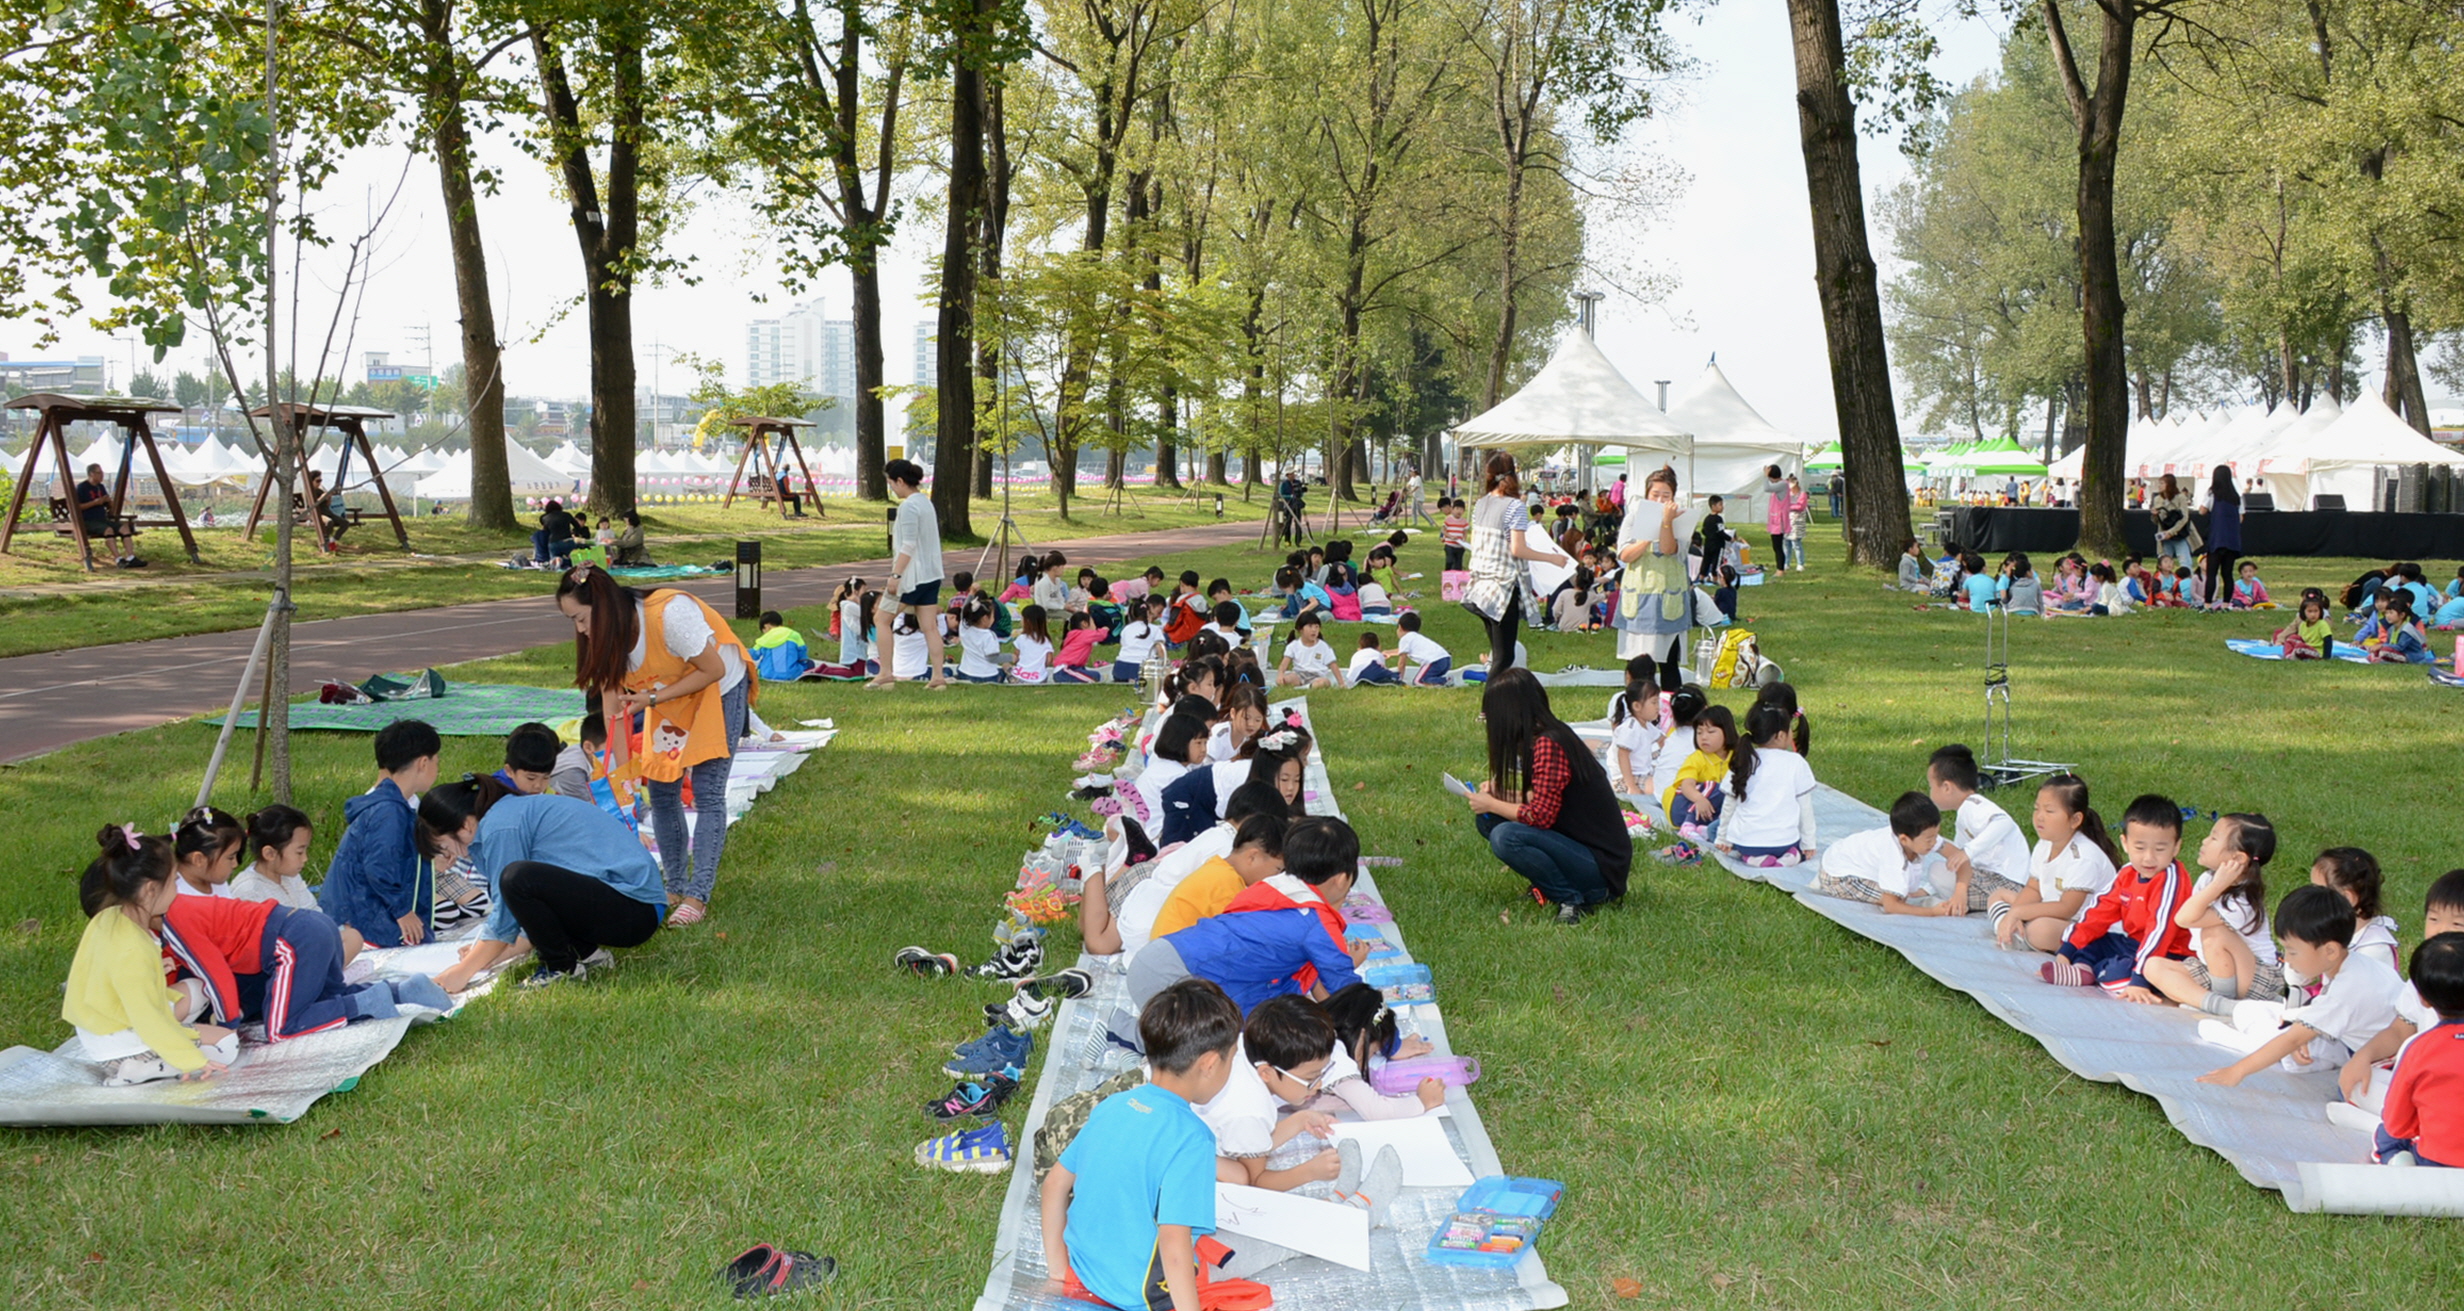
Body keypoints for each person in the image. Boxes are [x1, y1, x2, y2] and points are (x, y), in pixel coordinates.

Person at [556, 565, 754, 927]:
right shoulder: (607, 639)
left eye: (580, 618)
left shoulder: (668, 614)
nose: (580, 630)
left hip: (717, 689)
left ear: (602, 607)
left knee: (707, 791)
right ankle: (674, 886)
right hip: (667, 696)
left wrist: (652, 698)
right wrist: (624, 776)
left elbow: (713, 669)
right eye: (574, 622)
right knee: (662, 790)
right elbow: (613, 711)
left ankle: (697, 895)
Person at [1040, 978, 1242, 1311]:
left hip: (1081, 1273)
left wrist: (1058, 1273)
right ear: (1209, 1063)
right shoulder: (1193, 1138)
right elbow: (1174, 1245)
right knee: (1249, 1255)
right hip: (1142, 1295)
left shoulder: (1113, 1104)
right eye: (1232, 1058)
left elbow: (1053, 1185)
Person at [421, 776, 669, 992]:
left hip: (635, 909)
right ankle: (588, 954)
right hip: (634, 905)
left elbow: (507, 910)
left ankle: (561, 967)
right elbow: (535, 903)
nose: (451, 856)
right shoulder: (505, 815)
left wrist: (462, 971)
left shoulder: (500, 827)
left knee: (516, 878)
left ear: (465, 825)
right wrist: (496, 952)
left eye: (444, 846)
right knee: (517, 880)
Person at [63, 825, 236, 1086]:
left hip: (99, 1027)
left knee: (198, 988)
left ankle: (156, 1057)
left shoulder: (107, 918)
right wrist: (190, 1059)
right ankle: (148, 1066)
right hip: (121, 1041)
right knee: (228, 1045)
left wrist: (155, 967)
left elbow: (102, 972)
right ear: (150, 889)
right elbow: (147, 1017)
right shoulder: (132, 951)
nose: (178, 889)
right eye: (175, 881)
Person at [1133, 825, 1365, 1013]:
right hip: (1177, 977)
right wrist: (1387, 1041)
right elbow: (1348, 994)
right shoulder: (1317, 920)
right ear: (1342, 879)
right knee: (1200, 1046)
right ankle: (1125, 1032)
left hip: (1157, 959)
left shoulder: (1270, 887)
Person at [1462, 667, 1631, 923]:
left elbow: (1540, 816)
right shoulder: (1548, 736)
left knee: (1505, 835)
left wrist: (1493, 803)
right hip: (1583, 851)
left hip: (1601, 869)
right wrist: (1502, 795)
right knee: (1488, 820)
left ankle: (1571, 898)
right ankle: (1550, 886)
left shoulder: (1549, 743)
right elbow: (1546, 797)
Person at [2198, 886, 2408, 1086]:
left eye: (2293, 952)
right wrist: (2304, 1028)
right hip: (2347, 1031)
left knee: (2292, 1059)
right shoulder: (2351, 963)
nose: (2287, 959)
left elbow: (2293, 1039)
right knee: (2247, 1009)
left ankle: (2240, 1042)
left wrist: (2236, 1071)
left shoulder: (2346, 990)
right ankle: (2268, 1039)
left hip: (2359, 1051)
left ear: (2330, 951)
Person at [2038, 794, 2192, 1001]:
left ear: (2176, 847)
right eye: (2140, 848)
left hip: (2166, 955)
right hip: (2132, 944)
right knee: (2091, 942)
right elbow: (2100, 911)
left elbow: (2160, 932)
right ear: (2125, 843)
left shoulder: (2171, 881)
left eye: (2160, 849)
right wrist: (2066, 951)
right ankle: (2084, 969)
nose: (2149, 858)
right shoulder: (2128, 872)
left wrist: (2139, 980)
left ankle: (2101, 973)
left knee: (2118, 973)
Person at [318, 719, 441, 949]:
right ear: (423, 763)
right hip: (362, 921)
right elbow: (378, 866)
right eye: (437, 761)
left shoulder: (397, 803)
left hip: (366, 911)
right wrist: (403, 912)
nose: (437, 768)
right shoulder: (388, 810)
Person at [2143, 814, 2282, 1013]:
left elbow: (2184, 919)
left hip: (2256, 978)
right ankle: (2221, 1005)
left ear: (2237, 858)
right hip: (2214, 970)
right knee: (2153, 966)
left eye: (2214, 838)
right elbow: (2183, 917)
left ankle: (2223, 1001)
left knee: (2215, 933)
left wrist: (2219, 885)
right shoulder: (2208, 879)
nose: (2204, 841)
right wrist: (2216, 883)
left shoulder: (2242, 900)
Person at [1463, 453, 1572, 675]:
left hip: (1480, 585)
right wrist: (1552, 558)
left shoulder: (1481, 504)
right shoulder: (1515, 506)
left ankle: (1498, 693)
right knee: (1504, 657)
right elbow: (1518, 549)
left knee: (1498, 654)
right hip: (1502, 586)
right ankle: (1491, 698)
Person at [1986, 774, 2118, 952]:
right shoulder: (2044, 844)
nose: (2039, 817)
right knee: (1999, 895)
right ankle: (2012, 931)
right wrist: (2015, 914)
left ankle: (2015, 934)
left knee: (2040, 929)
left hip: (2088, 927)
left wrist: (2018, 913)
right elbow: (2033, 888)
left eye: (2049, 811)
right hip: (2051, 912)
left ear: (2075, 820)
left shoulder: (2084, 857)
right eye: (2036, 809)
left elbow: (2067, 909)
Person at [2368, 934, 2464, 1166]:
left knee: (2387, 1135)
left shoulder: (2419, 1048)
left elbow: (2397, 1123)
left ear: (2422, 999)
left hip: (2438, 1160)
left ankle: (2395, 1160)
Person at [1149, 811, 1294, 943]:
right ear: (1252, 856)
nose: (1276, 877)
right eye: (1277, 869)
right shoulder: (1226, 883)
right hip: (1175, 959)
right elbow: (1236, 938)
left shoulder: (1218, 869)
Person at [1814, 792, 1963, 915]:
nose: (1934, 842)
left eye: (1936, 835)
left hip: (1842, 856)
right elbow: (1891, 906)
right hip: (1837, 876)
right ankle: (1824, 882)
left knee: (1899, 891)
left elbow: (1960, 856)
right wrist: (1931, 912)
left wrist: (1959, 892)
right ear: (1904, 839)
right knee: (1899, 898)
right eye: (1929, 839)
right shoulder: (1893, 858)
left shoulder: (1920, 836)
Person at [871, 458, 948, 689]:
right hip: (931, 574)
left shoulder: (908, 507)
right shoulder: (925, 503)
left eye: (891, 483)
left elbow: (908, 545)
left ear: (900, 481)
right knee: (929, 627)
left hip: (911, 578)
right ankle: (938, 677)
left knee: (881, 620)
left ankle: (885, 673)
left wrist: (895, 575)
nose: (892, 488)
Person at [1612, 466, 1690, 690]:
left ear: (1673, 497)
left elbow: (1668, 549)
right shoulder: (1633, 517)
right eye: (1655, 494)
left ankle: (1669, 708)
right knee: (1638, 665)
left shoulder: (1681, 518)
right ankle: (1636, 707)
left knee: (1669, 663)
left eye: (1666, 495)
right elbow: (1625, 555)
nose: (1660, 500)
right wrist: (1646, 535)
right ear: (1646, 495)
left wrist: (1666, 522)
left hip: (1669, 599)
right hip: (1638, 598)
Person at [1715, 704, 1819, 867]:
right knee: (1795, 847)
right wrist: (1808, 843)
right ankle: (1790, 856)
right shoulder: (1796, 762)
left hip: (1747, 842)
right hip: (1784, 841)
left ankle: (1752, 858)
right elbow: (1805, 809)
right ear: (1780, 735)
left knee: (1718, 832)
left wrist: (1723, 838)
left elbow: (1729, 805)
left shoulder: (1743, 760)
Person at [1926, 744, 2029, 907]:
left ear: (1946, 787)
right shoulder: (1964, 812)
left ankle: (1953, 903)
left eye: (1931, 787)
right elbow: (1959, 862)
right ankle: (1951, 900)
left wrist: (1968, 852)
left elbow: (2003, 822)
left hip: (2006, 883)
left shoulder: (1974, 805)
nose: (1930, 792)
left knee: (1936, 870)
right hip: (1989, 881)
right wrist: (1927, 889)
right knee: (1946, 867)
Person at [2306, 847, 2402, 973]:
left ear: (2347, 898)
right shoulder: (2331, 930)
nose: (2309, 898)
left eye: (2318, 892)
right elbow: (2297, 977)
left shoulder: (2374, 949)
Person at [74, 462, 143, 568]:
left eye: (102, 473)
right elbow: (77, 507)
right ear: (91, 474)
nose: (102, 475)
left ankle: (131, 557)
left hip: (102, 519)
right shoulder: (82, 487)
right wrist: (95, 503)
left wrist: (109, 502)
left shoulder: (100, 487)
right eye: (99, 473)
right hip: (88, 520)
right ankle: (118, 559)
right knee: (108, 530)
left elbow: (108, 505)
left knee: (124, 528)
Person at [170, 805, 245, 899]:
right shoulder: (174, 895)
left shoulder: (214, 879)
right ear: (199, 859)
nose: (235, 864)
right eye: (230, 857)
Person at [2200, 465, 2241, 610]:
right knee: (2227, 574)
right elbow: (2241, 517)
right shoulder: (2236, 497)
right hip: (2232, 540)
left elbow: (2202, 511)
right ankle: (2226, 604)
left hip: (2217, 539)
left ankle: (2207, 604)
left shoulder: (2212, 494)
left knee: (2212, 573)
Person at [2149, 474, 2199, 574]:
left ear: (2169, 484)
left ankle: (2187, 580)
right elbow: (2156, 521)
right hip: (2164, 534)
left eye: (2162, 483)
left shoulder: (2180, 498)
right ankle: (2164, 580)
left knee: (2185, 561)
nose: (2159, 486)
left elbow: (2184, 517)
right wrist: (2154, 515)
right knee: (2164, 560)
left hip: (2179, 534)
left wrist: (2171, 532)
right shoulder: (2157, 499)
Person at [1275, 611, 1339, 689]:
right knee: (1286, 679)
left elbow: (1333, 665)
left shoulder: (1324, 646)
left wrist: (1341, 683)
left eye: (1316, 627)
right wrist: (1280, 675)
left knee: (1324, 682)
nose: (1314, 630)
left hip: (1317, 676)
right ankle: (1306, 686)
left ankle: (1307, 687)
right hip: (1299, 675)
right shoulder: (1293, 645)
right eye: (1310, 626)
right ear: (1301, 629)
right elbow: (1284, 664)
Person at [750, 610, 813, 682]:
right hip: (792, 675)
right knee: (810, 663)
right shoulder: (794, 635)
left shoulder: (764, 639)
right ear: (781, 624)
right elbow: (803, 656)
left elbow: (753, 655)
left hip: (767, 674)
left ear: (766, 627)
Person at [953, 601, 1008, 683]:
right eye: (993, 616)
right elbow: (993, 658)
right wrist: (1009, 658)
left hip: (965, 672)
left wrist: (971, 597)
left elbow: (964, 614)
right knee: (1004, 671)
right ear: (985, 618)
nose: (994, 619)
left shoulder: (964, 627)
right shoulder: (989, 636)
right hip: (987, 676)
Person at [1393, 610, 1451, 686]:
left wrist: (1399, 679)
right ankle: (1440, 681)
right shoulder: (1416, 637)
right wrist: (1389, 653)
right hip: (1445, 659)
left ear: (1400, 627)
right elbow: (1404, 651)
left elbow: (1402, 662)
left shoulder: (1405, 639)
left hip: (1433, 661)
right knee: (1427, 678)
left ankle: (1445, 681)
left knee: (1418, 681)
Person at [2274, 594, 2336, 659]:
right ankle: (2289, 655)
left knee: (2300, 647)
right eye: (2310, 611)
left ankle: (2296, 654)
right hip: (2303, 648)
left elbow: (2328, 640)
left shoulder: (2322, 624)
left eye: (2316, 611)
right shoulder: (2303, 624)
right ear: (2303, 612)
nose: (2313, 614)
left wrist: (2326, 657)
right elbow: (2300, 639)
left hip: (2316, 651)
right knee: (2291, 638)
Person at [1760, 465, 1791, 573]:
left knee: (1778, 547)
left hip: (1779, 521)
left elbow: (1767, 488)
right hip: (1775, 520)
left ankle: (1780, 569)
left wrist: (1765, 476)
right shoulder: (1780, 485)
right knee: (1776, 546)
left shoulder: (1782, 484)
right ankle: (1780, 568)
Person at [531, 498, 579, 565]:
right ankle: (566, 563)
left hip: (553, 542)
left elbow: (546, 530)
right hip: (567, 540)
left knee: (554, 562)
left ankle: (558, 563)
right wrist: (574, 533)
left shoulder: (545, 518)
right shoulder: (567, 515)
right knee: (573, 560)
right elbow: (577, 526)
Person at [1440, 497, 1470, 572]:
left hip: (1459, 546)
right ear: (1453, 509)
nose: (1459, 511)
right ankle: (1447, 573)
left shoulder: (1464, 521)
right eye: (1457, 509)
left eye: (1461, 509)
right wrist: (1449, 536)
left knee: (1458, 564)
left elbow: (1465, 531)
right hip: (1450, 545)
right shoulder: (1448, 519)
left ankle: (1456, 576)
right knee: (1449, 561)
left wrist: (1464, 540)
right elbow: (1443, 530)